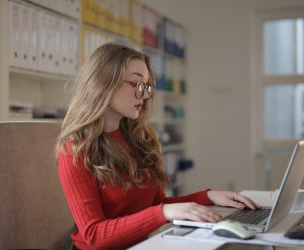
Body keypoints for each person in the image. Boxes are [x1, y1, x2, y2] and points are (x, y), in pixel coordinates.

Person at [56, 43, 259, 250]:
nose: (144, 95)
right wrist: (163, 213)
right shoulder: (75, 150)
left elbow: (154, 205)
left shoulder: (139, 139)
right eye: (136, 83)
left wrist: (208, 197)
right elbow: (94, 235)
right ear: (104, 83)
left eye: (146, 86)